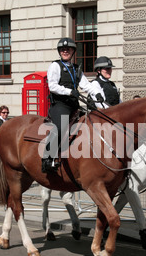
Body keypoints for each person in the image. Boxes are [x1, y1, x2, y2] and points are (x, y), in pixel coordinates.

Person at [42, 37, 103, 173]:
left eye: (68, 49)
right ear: (59, 52)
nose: (65, 51)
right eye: (63, 50)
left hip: (74, 105)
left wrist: (97, 94)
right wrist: (69, 92)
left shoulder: (76, 69)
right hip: (60, 104)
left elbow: (86, 86)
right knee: (60, 127)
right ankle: (47, 158)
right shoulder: (55, 66)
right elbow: (52, 86)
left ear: (73, 51)